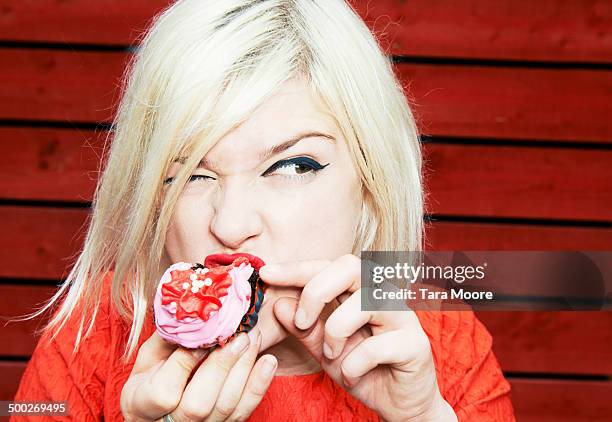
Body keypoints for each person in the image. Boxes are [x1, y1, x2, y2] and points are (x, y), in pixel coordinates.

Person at [12, 0, 515, 420]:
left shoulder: (438, 335)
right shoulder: (92, 330)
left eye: (293, 166)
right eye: (188, 174)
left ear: (370, 180)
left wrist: (425, 417)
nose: (229, 226)